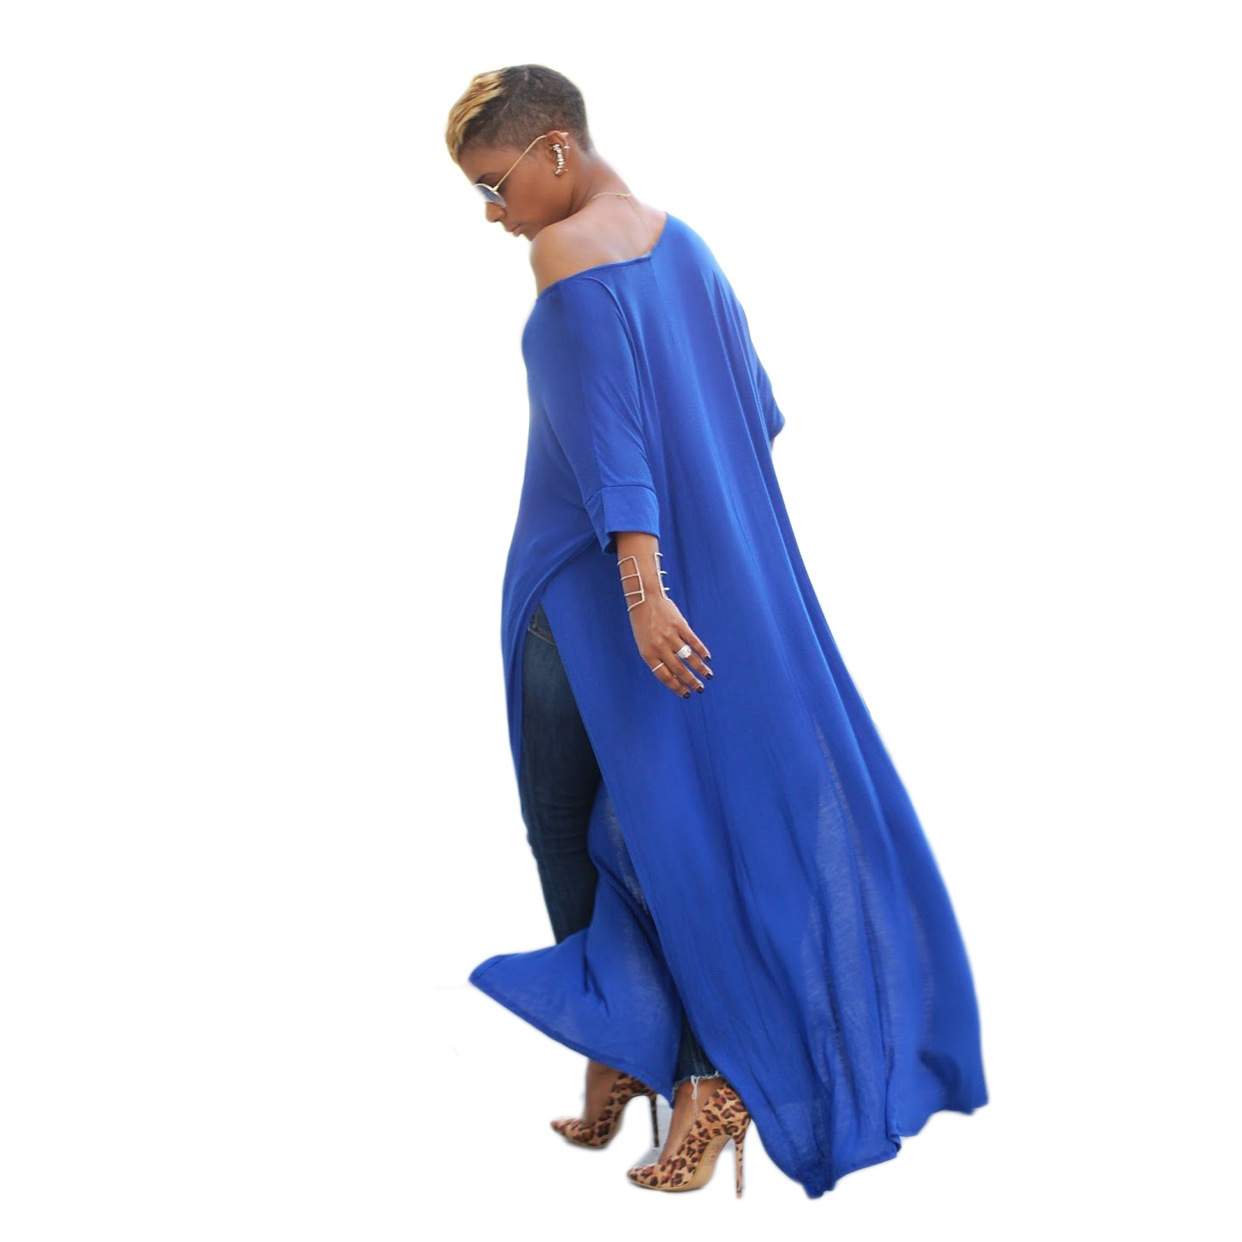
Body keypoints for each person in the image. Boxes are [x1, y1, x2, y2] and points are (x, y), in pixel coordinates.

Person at [444, 64, 989, 1199]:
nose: (494, 216)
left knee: (568, 830)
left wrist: (643, 588)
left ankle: (682, 1071)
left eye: (495, 185)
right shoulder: (685, 247)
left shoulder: (564, 254)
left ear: (554, 149)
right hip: (705, 590)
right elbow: (756, 410)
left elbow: (612, 446)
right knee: (670, 833)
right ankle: (636, 1062)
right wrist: (698, 562)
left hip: (585, 595)